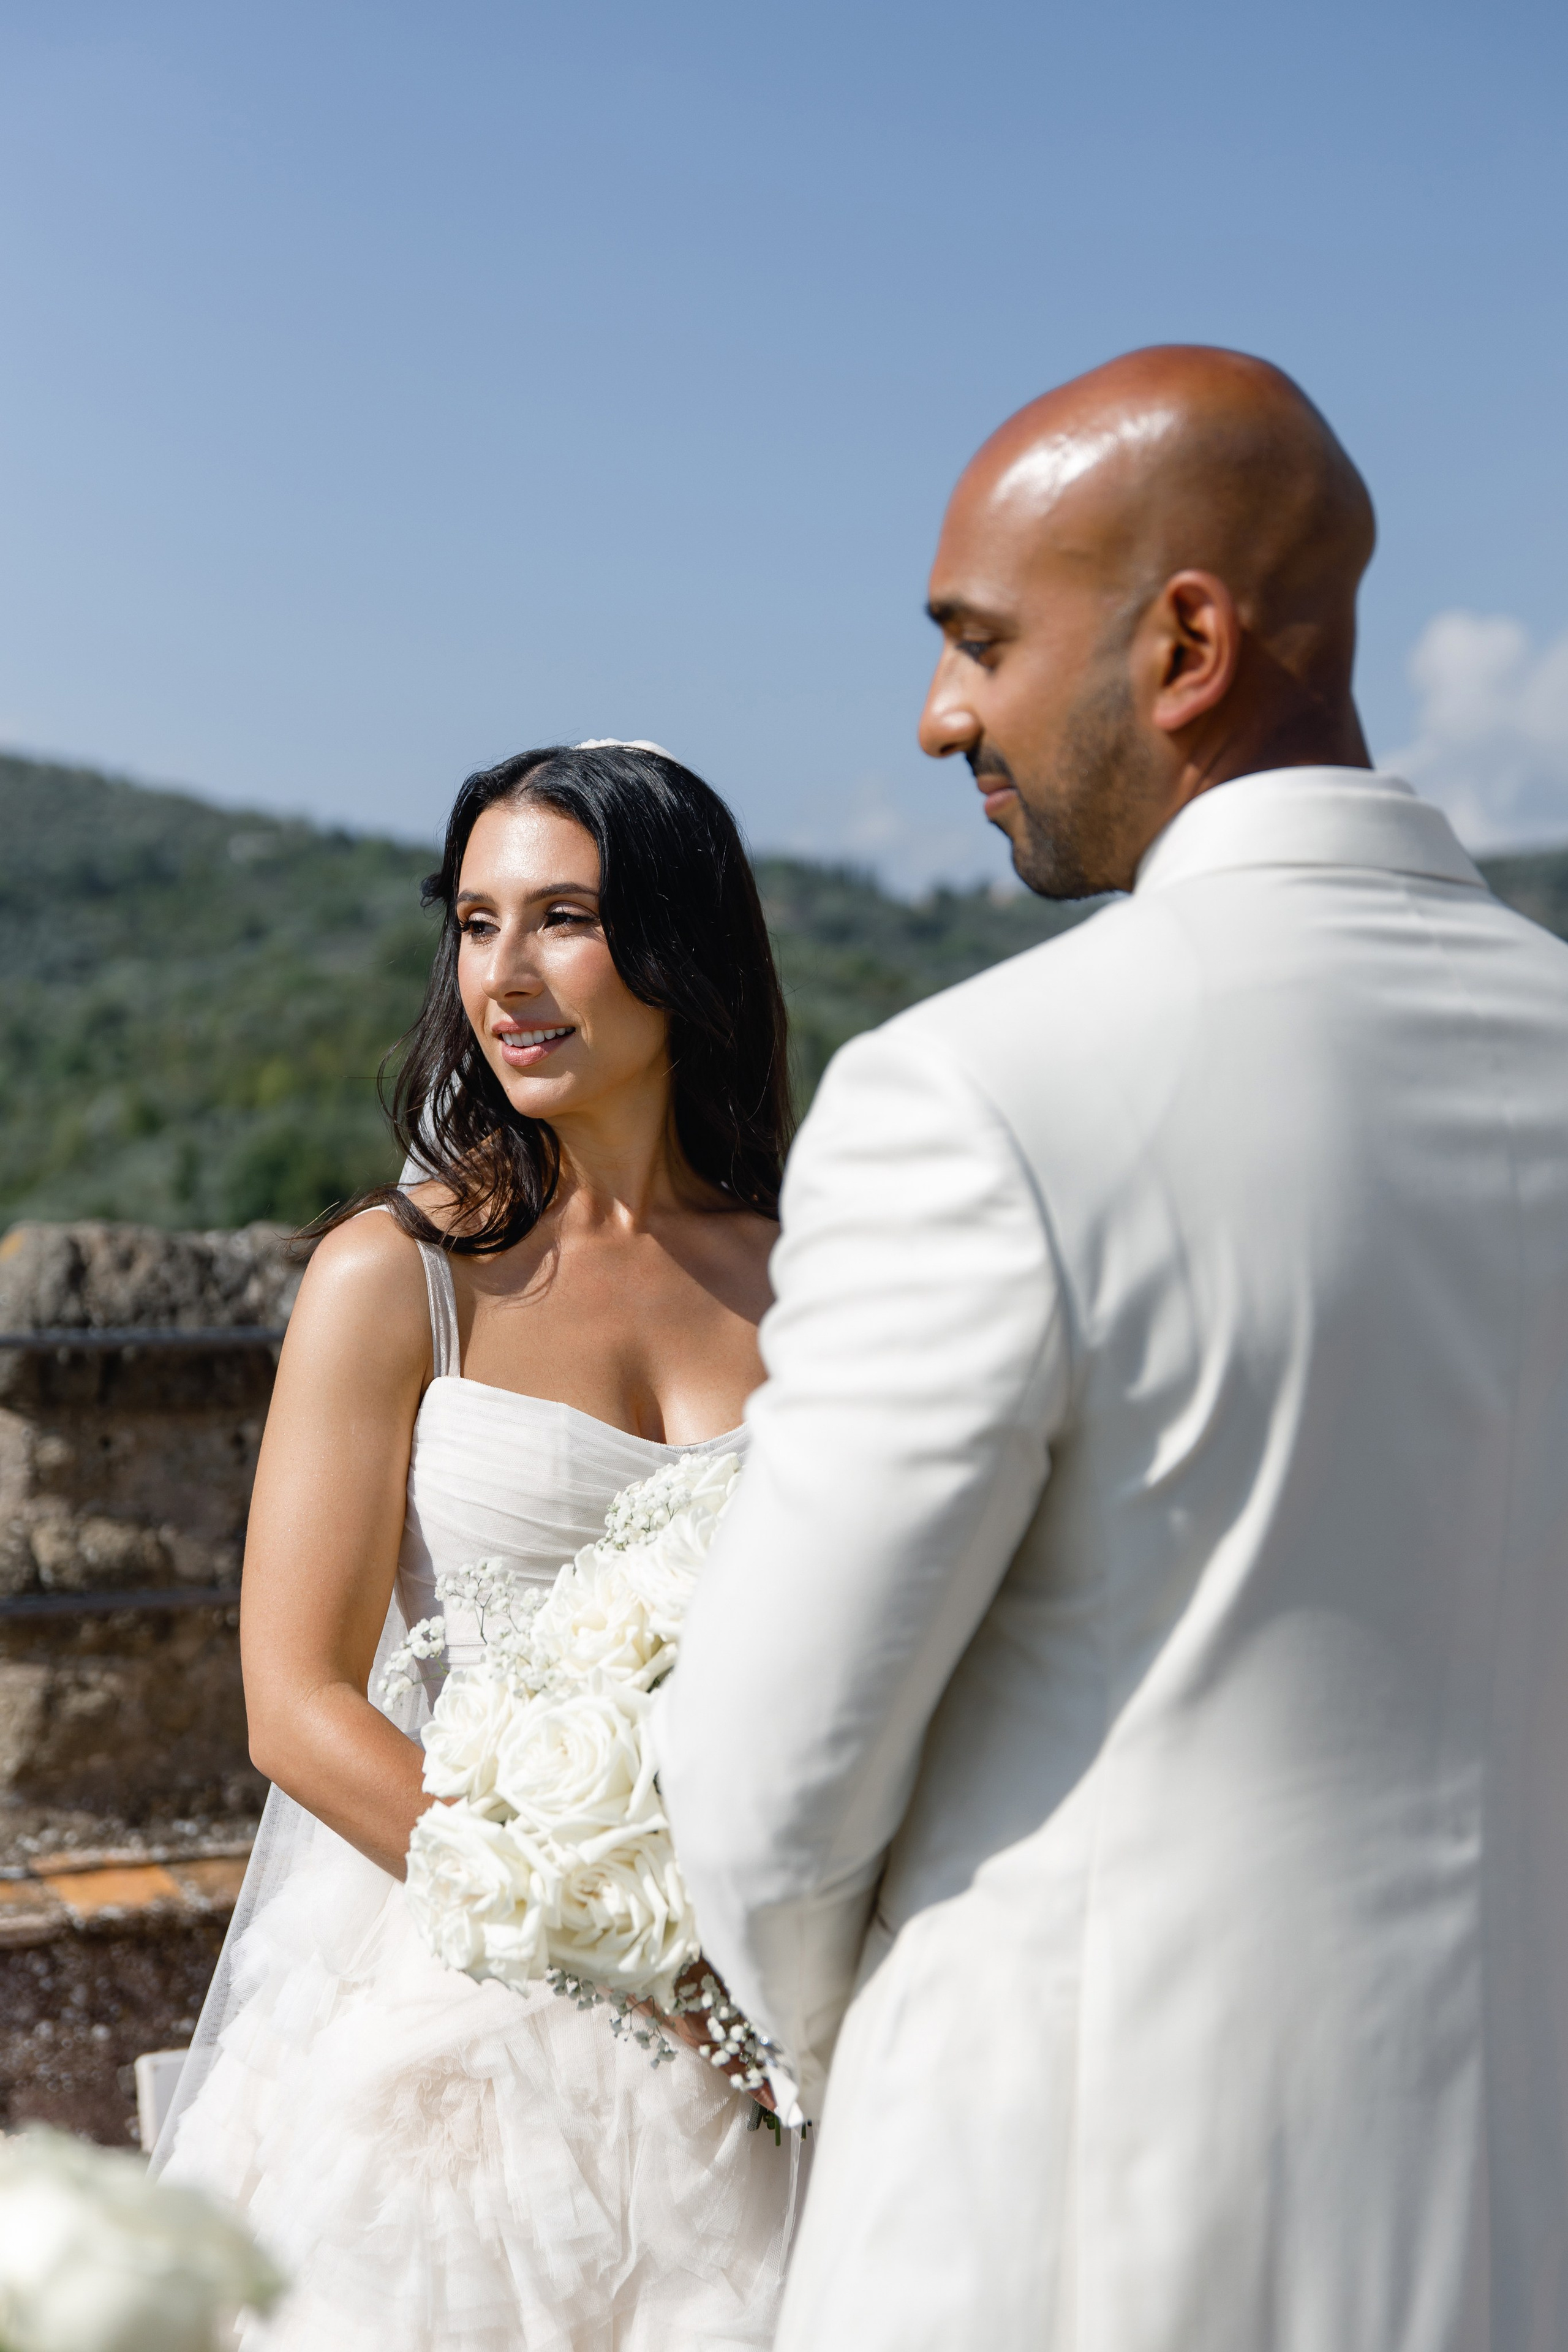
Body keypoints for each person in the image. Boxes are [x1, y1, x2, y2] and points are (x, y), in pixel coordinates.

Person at [657, 347, 1568, 2349]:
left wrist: (890, 2060)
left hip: (1062, 2234)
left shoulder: (978, 1094)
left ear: (1184, 644)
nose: (935, 716)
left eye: (976, 642)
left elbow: (766, 1784)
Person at [153, 741, 806, 2350]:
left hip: (771, 2011)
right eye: (473, 922)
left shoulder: (822, 1280)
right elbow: (294, 1703)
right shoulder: (398, 1276)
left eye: (564, 918)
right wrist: (608, 1935)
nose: (504, 976)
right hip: (453, 2006)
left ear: (681, 943)